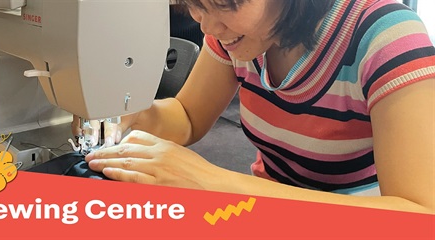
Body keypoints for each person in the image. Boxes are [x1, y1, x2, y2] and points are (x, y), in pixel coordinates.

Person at [80, 0, 435, 214]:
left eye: (224, 5)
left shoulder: (387, 38)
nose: (208, 25)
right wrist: (128, 112)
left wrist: (216, 183)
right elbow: (187, 116)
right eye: (195, 5)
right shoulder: (235, 34)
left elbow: (418, 214)